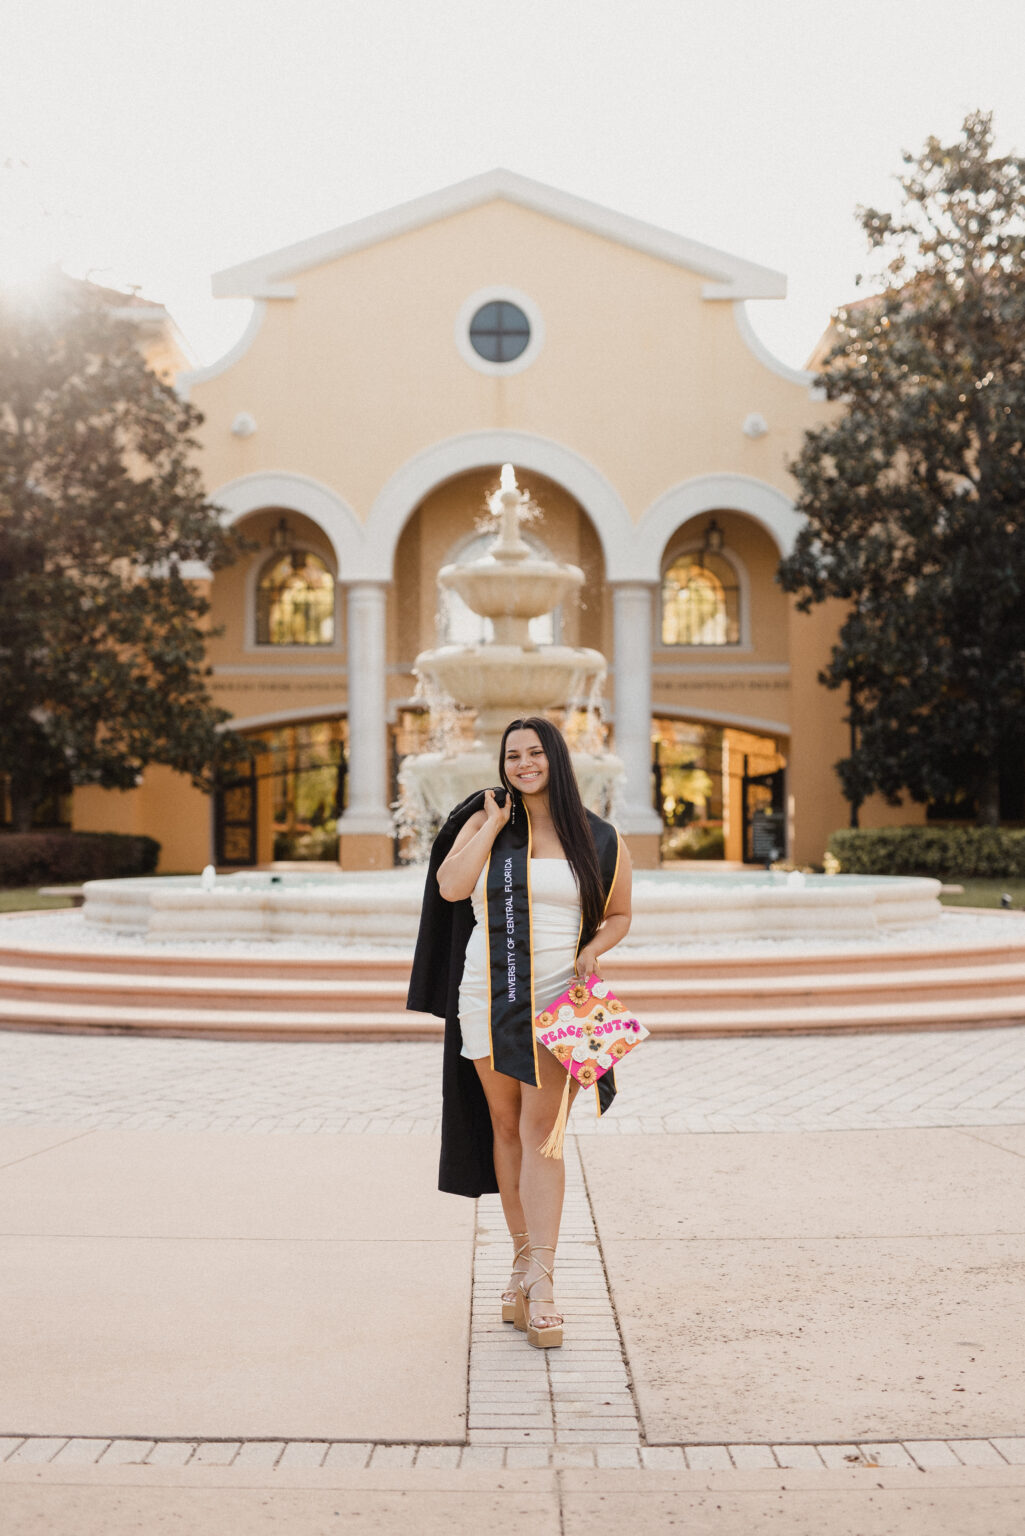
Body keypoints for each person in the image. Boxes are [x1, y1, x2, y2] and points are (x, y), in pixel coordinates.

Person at [407, 716, 632, 1348]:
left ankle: (546, 1281)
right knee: (507, 1130)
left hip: (562, 1000)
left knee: (546, 1137)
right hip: (487, 995)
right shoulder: (487, 823)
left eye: (535, 753)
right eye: (513, 755)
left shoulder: (599, 836)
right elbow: (451, 887)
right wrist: (492, 825)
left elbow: (619, 915)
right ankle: (521, 1259)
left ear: (556, 759)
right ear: (502, 763)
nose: (524, 764)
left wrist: (593, 949)